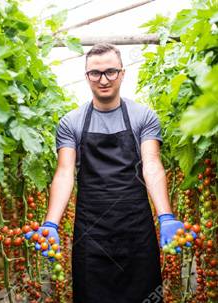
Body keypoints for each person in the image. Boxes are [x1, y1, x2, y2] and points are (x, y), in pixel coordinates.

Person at [26, 43, 185, 303]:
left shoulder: (143, 116)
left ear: (122, 73)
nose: (103, 79)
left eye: (111, 71)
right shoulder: (71, 122)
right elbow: (65, 172)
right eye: (95, 73)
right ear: (86, 76)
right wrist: (51, 223)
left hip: (137, 228)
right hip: (91, 233)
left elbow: (152, 164)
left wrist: (166, 215)